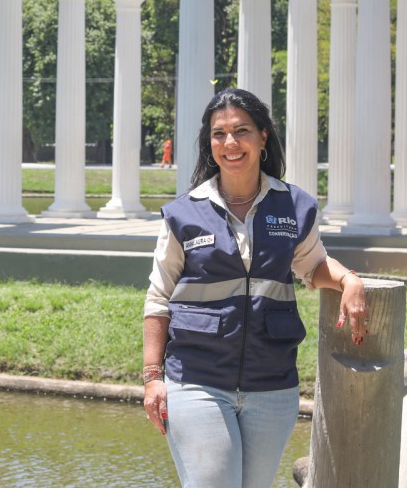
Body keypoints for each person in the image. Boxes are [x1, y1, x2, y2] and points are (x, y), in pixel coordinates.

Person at [142, 87, 369, 488]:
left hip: (272, 386)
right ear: (209, 143)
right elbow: (158, 298)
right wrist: (151, 377)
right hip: (197, 380)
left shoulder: (294, 206)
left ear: (263, 137)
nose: (230, 142)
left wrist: (348, 279)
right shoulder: (183, 213)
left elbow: (313, 264)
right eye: (219, 134)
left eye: (241, 131)